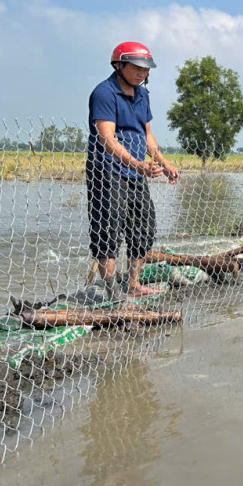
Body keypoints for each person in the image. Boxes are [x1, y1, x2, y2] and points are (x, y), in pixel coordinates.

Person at [87, 42, 179, 298]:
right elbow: (107, 139)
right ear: (119, 66)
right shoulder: (104, 93)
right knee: (108, 232)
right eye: (137, 68)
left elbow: (146, 134)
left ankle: (134, 285)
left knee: (144, 229)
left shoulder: (143, 94)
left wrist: (163, 162)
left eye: (146, 70)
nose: (143, 74)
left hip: (135, 173)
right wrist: (137, 163)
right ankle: (112, 295)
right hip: (107, 172)